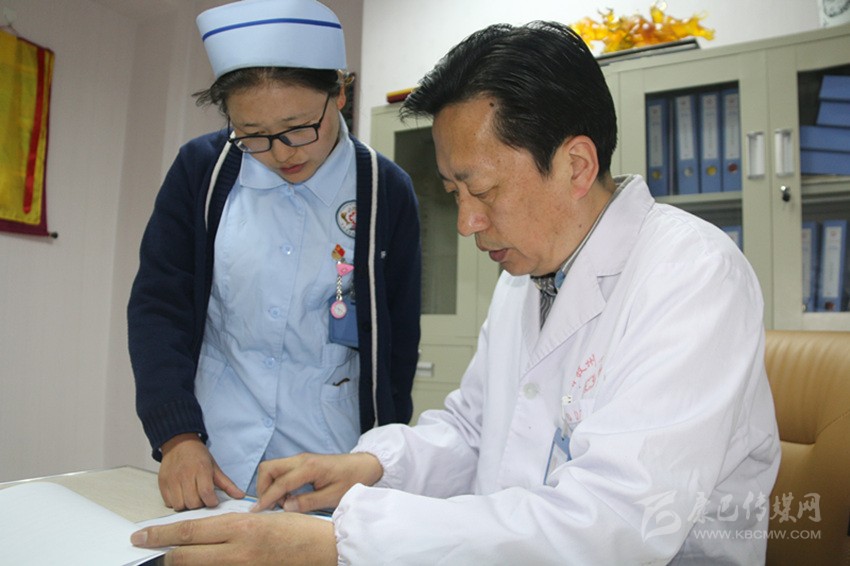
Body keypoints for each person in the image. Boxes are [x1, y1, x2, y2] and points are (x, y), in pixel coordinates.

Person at [131, 20, 781, 564]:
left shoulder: (691, 276)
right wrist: (368, 466)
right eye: (452, 193)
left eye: (483, 190)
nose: (467, 223)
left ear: (577, 165)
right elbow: (472, 431)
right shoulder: (527, 278)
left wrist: (339, 542)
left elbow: (612, 524)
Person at [127, 0, 421, 511]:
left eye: (298, 126)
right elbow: (159, 306)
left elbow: (397, 346)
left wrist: (378, 460)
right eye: (253, 135)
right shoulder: (203, 172)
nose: (282, 152)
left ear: (340, 91)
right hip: (213, 459)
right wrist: (177, 436)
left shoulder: (384, 191)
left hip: (329, 464)